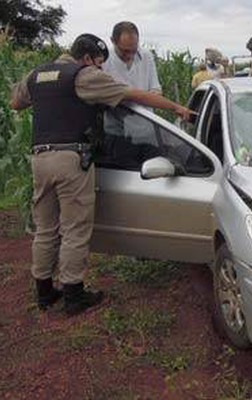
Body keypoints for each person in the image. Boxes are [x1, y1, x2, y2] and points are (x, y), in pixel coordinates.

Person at [10, 33, 194, 316]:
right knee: (74, 228)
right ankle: (74, 294)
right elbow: (134, 95)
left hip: (40, 158)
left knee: (46, 228)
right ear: (87, 58)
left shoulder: (37, 75)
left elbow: (16, 103)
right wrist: (176, 107)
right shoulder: (83, 76)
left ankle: (44, 292)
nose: (99, 69)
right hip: (71, 159)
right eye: (98, 63)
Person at [103, 21, 161, 93]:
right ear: (113, 41)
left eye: (134, 50)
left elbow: (155, 88)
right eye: (125, 51)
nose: (130, 55)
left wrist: (154, 93)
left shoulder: (147, 56)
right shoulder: (104, 60)